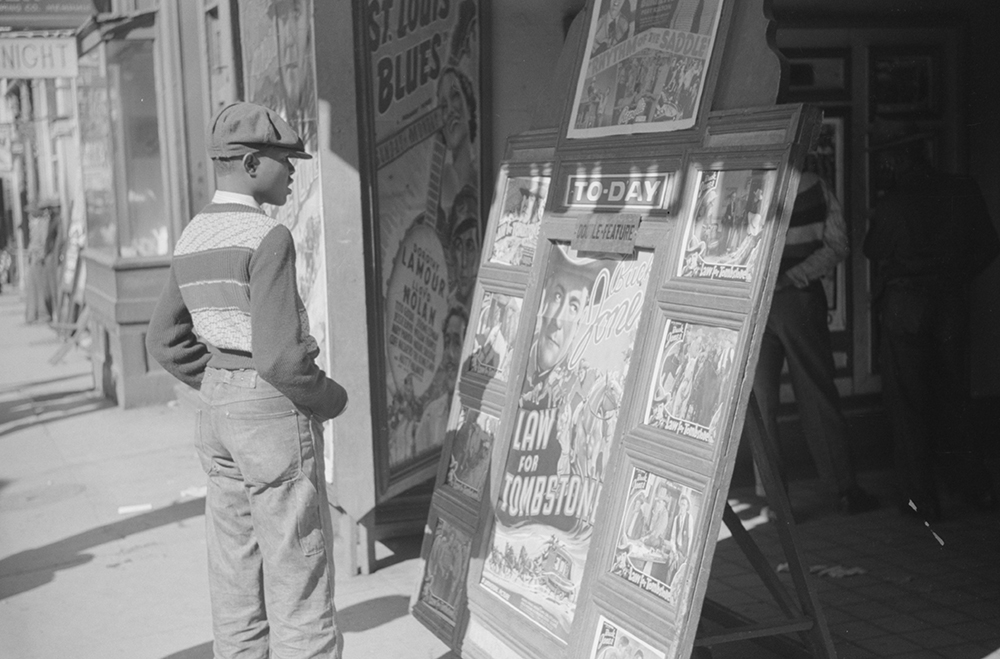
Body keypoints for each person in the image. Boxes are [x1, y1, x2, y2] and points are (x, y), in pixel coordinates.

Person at [146, 101, 348, 659]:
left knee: (235, 583)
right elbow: (282, 360)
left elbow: (163, 338)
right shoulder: (267, 237)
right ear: (254, 163)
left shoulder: (193, 235)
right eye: (287, 161)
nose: (293, 172)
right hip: (271, 413)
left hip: (217, 412)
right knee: (299, 581)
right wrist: (331, 398)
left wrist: (218, 379)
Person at [865, 139, 999, 521]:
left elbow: (872, 249)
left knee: (907, 403)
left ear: (895, 160)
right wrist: (957, 275)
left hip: (905, 307)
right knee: (955, 396)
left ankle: (923, 500)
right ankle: (979, 489)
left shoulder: (894, 203)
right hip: (951, 304)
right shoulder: (962, 188)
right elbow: (990, 244)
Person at [752, 171, 879, 516]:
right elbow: (838, 245)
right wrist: (793, 275)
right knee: (817, 392)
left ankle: (777, 503)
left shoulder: (748, 184)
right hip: (800, 299)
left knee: (761, 403)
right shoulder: (814, 186)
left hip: (753, 304)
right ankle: (844, 489)